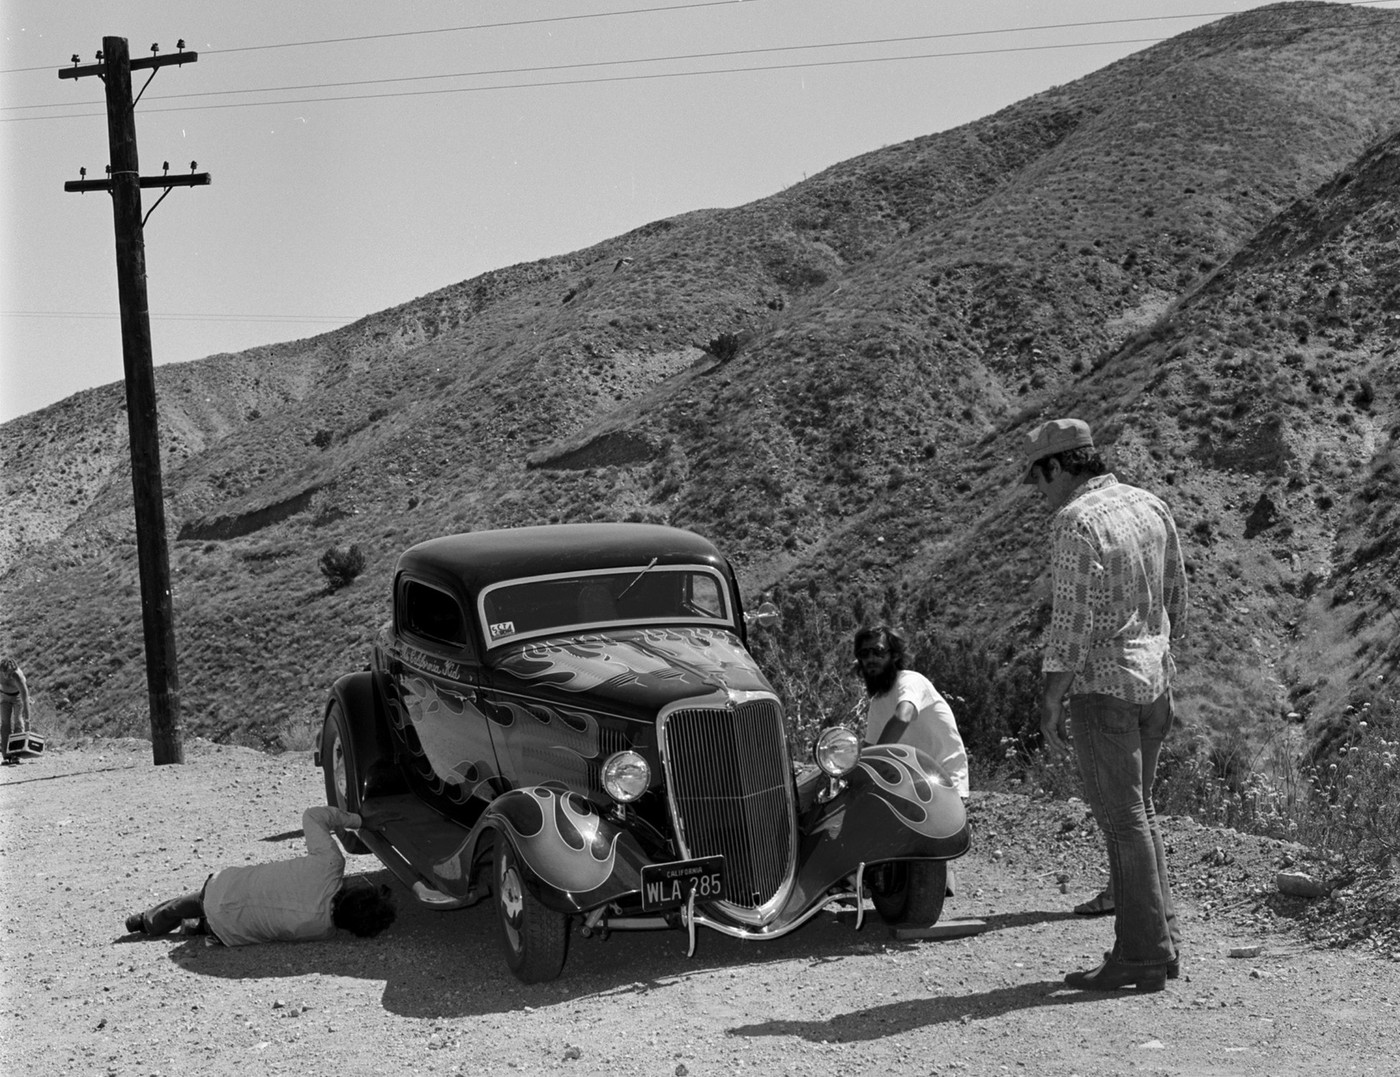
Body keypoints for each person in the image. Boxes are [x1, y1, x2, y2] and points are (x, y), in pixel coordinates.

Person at [1023, 417, 1187, 993]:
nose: (1037, 491)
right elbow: (1175, 596)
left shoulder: (1075, 522)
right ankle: (1159, 942)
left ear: (1059, 465)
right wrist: (1158, 652)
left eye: (1037, 477)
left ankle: (1140, 955)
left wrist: (1050, 699)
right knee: (1139, 816)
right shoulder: (1149, 504)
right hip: (1154, 681)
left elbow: (1070, 625)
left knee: (1123, 824)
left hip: (1105, 689)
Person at [125, 805, 396, 945]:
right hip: (227, 933)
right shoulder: (321, 932)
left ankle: (147, 922)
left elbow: (313, 816)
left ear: (358, 890)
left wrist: (358, 821)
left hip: (221, 889)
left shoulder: (329, 865)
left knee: (185, 904)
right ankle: (199, 928)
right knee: (237, 919)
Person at [853, 625, 969, 798]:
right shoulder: (878, 702)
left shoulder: (910, 681)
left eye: (878, 651)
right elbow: (870, 747)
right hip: (912, 787)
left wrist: (873, 763)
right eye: (864, 654)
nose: (871, 658)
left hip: (944, 783)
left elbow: (902, 717)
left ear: (895, 655)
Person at [0, 656, 32, 765]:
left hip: (18, 698)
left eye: (11, 672)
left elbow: (25, 698)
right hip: (4, 697)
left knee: (18, 722)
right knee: (5, 724)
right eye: (7, 673)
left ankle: (16, 754)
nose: (9, 675)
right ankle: (6, 756)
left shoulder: (17, 676)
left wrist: (28, 720)